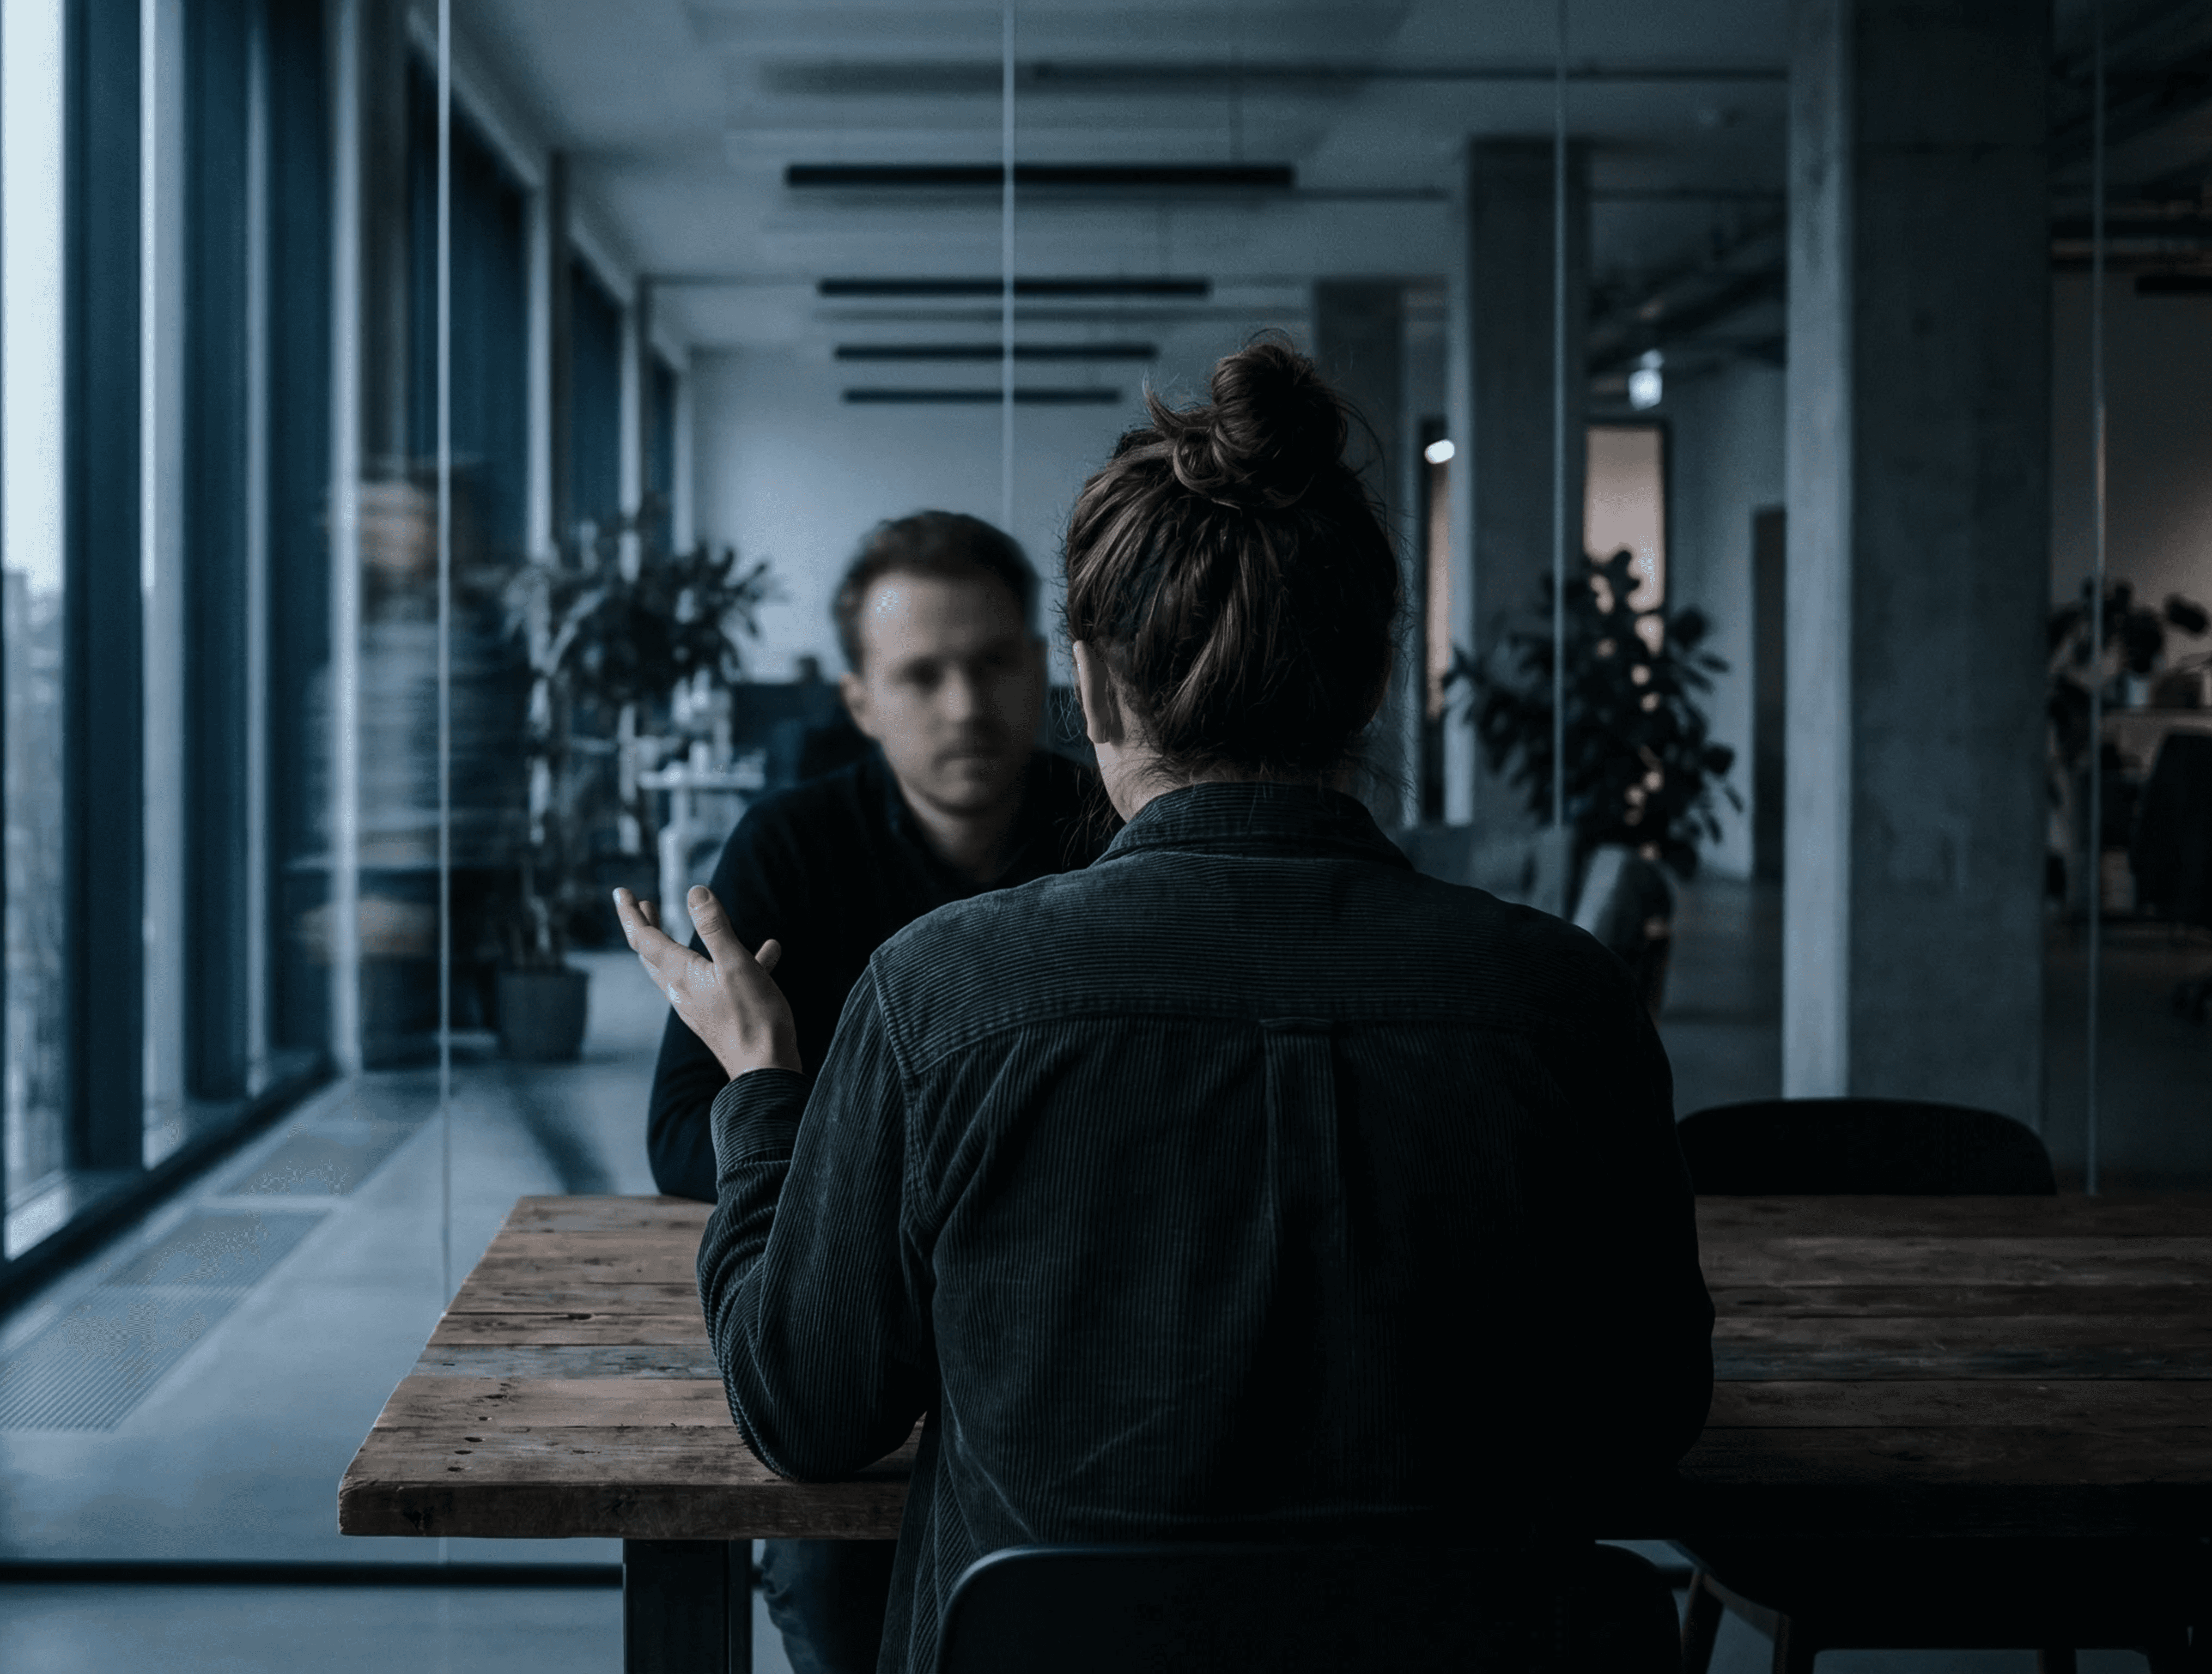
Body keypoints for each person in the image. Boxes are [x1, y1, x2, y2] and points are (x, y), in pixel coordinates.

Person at [618, 339, 1715, 1673]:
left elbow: (802, 1406)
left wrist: (761, 1096)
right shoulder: (1563, 1000)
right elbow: (1645, 1411)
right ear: (1375, 680)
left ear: (1087, 688)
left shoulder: (940, 993)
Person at [640, 510, 1104, 1674]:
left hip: (1065, 1316)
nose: (963, 704)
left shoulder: (1113, 833)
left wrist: (824, 1134)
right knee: (825, 1560)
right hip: (857, 1318)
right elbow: (676, 1134)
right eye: (921, 674)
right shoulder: (786, 850)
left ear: (1043, 669)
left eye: (994, 663)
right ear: (858, 700)